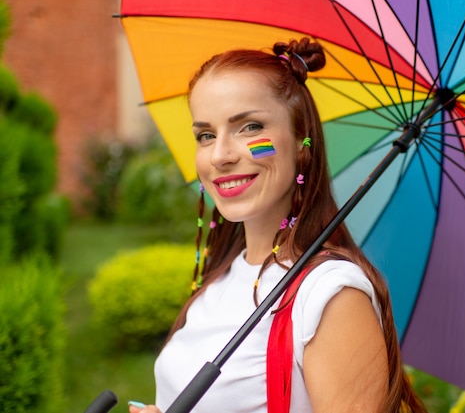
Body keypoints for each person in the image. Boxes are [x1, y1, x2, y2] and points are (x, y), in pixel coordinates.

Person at [128, 37, 427, 413]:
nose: (220, 155)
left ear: (301, 142)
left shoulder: (331, 295)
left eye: (250, 127)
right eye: (206, 135)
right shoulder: (222, 276)